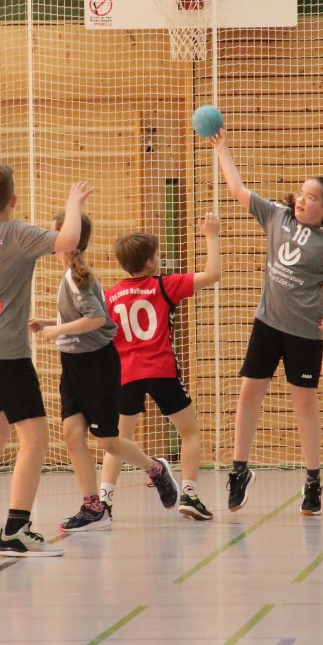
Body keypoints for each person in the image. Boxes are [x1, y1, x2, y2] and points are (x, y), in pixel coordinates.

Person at [0, 163, 92, 557]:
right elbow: (69, 238)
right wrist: (73, 203)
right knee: (34, 438)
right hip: (5, 353)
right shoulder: (18, 233)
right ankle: (15, 531)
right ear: (13, 200)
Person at [211, 128, 323, 516]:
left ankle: (313, 480)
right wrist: (223, 150)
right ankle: (239, 471)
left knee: (303, 403)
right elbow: (238, 190)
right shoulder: (277, 215)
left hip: (305, 333)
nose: (302, 200)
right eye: (302, 194)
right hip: (267, 323)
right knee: (248, 393)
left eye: (312, 198)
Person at [29, 212, 180, 533]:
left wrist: (58, 331)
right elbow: (86, 319)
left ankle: (155, 469)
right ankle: (93, 507)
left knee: (108, 441)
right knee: (72, 435)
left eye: (55, 232)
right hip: (73, 364)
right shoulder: (70, 276)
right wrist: (51, 323)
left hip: (96, 366)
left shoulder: (78, 278)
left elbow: (96, 319)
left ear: (68, 239)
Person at [100, 213, 221, 521]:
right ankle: (190, 495)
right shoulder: (165, 286)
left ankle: (104, 502)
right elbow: (213, 274)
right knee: (189, 433)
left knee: (118, 442)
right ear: (150, 262)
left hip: (125, 374)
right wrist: (211, 235)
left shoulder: (109, 296)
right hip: (161, 371)